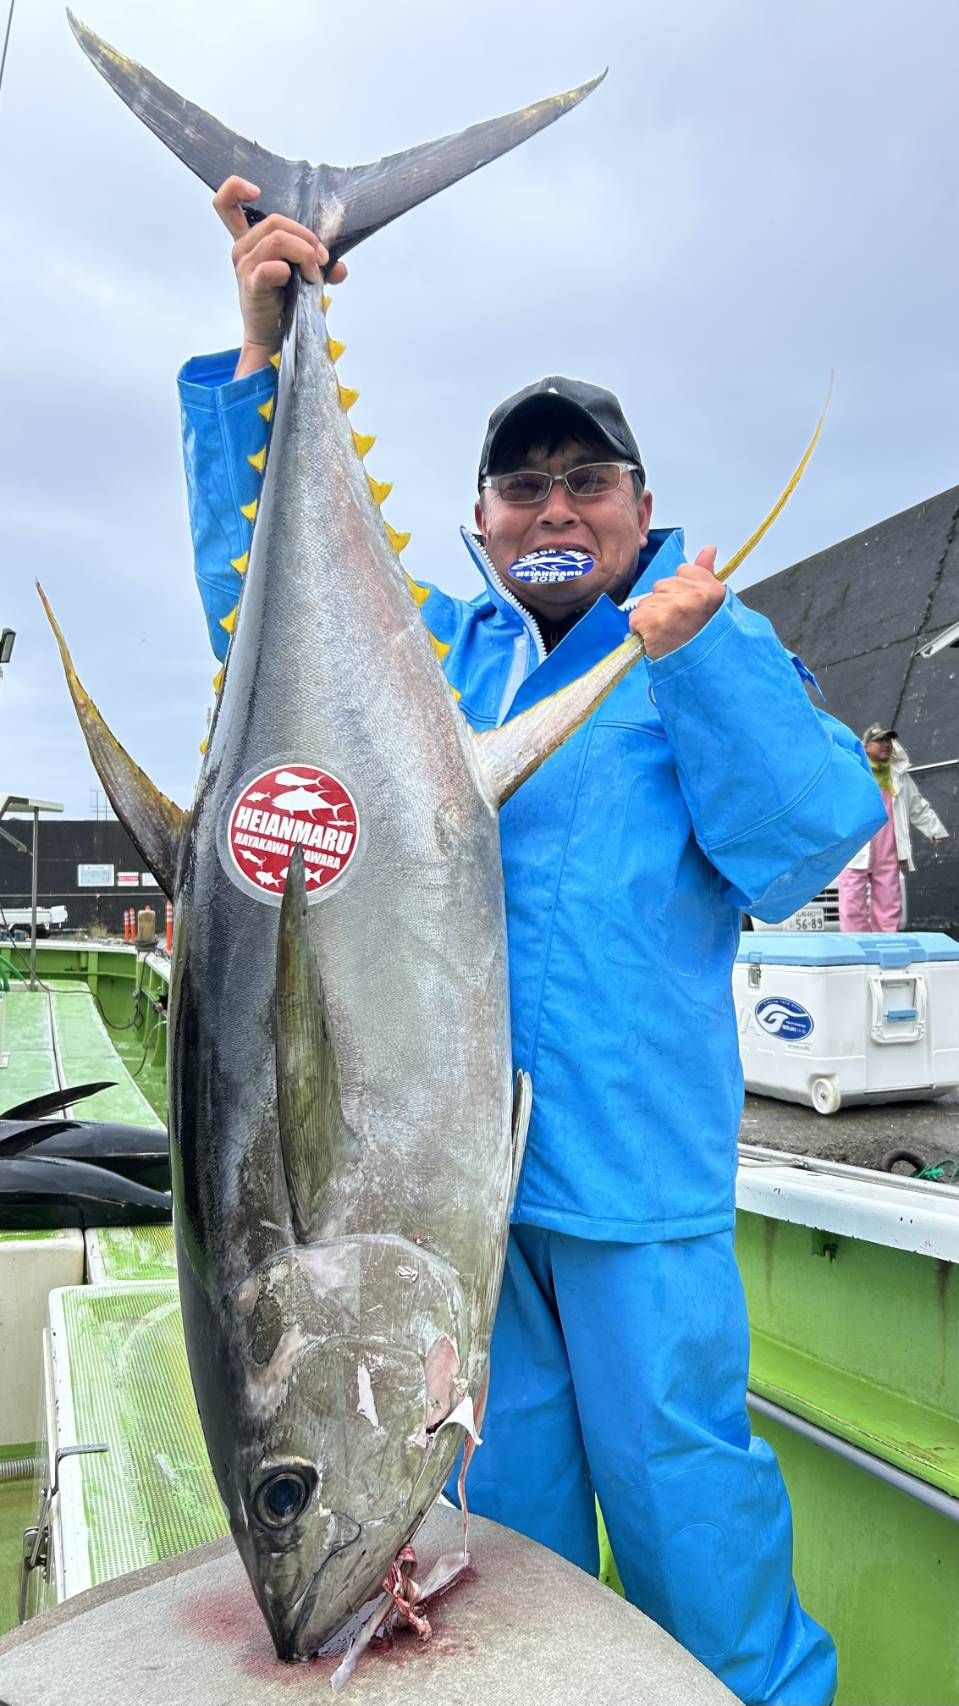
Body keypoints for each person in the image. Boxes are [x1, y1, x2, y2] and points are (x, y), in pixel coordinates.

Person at [176, 183, 886, 1705]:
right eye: (520, 488)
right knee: (508, 1536)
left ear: (640, 503)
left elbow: (809, 833)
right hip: (456, 1209)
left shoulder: (696, 643)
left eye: (585, 483)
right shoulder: (432, 660)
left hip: (633, 1191)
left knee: (689, 1515)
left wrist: (700, 649)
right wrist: (259, 361)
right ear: (480, 519)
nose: (553, 511)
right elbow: (268, 634)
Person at [838, 724, 948, 932]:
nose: (886, 744)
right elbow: (834, 804)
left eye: (888, 740)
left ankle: (886, 942)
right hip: (855, 847)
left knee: (889, 900)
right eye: (880, 740)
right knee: (851, 900)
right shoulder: (853, 772)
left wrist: (934, 829)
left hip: (888, 851)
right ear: (866, 746)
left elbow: (916, 805)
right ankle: (855, 942)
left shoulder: (899, 776)